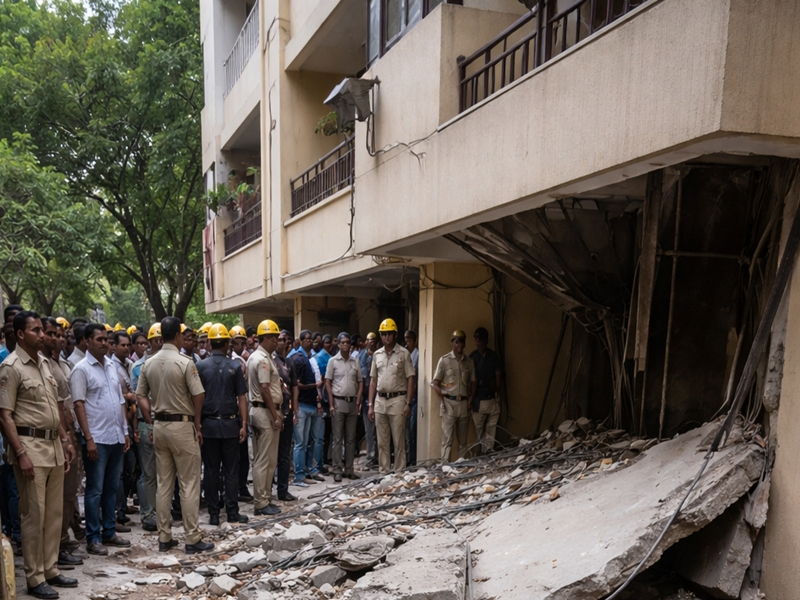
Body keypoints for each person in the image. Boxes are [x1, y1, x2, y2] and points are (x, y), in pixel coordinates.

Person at [0, 310, 78, 599]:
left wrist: (65, 440)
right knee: (34, 515)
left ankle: (50, 569)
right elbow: (5, 415)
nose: (42, 335)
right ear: (20, 334)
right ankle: (35, 577)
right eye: (35, 330)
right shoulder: (11, 367)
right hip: (30, 447)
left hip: (53, 445)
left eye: (41, 330)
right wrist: (20, 453)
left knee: (54, 514)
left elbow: (55, 406)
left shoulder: (44, 363)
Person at [136, 317, 213, 554]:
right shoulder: (185, 362)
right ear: (178, 335)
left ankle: (164, 536)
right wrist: (197, 423)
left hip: (159, 426)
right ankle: (192, 537)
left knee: (164, 483)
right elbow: (198, 394)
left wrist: (151, 417)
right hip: (182, 426)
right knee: (189, 483)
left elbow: (140, 395)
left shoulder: (148, 363)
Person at [71, 323, 131, 556]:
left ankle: (109, 531)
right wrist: (89, 438)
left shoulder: (111, 366)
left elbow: (120, 400)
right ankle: (93, 537)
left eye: (106, 339)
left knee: (111, 487)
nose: (105, 343)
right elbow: (78, 404)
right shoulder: (81, 369)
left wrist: (125, 431)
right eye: (99, 339)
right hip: (96, 439)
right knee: (95, 489)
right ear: (87, 341)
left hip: (115, 436)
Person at [39, 318, 83, 568]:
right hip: (52, 436)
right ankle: (55, 547)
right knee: (53, 497)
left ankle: (62, 541)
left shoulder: (60, 363)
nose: (57, 339)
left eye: (60, 335)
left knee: (68, 492)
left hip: (67, 434)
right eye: (51, 334)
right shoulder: (41, 364)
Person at [196, 324, 249, 525]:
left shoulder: (200, 367)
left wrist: (197, 424)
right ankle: (232, 511)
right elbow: (242, 398)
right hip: (229, 425)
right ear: (227, 343)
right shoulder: (235, 366)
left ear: (209, 343)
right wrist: (244, 424)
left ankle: (213, 513)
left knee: (210, 470)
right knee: (231, 470)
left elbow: (197, 398)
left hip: (208, 426)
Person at [368, 319, 415, 474]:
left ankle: (399, 471)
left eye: (389, 333)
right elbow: (373, 380)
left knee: (399, 440)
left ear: (395, 334)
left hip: (398, 400)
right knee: (382, 441)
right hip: (380, 401)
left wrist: (408, 403)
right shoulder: (377, 355)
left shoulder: (404, 353)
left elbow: (410, 379)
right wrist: (370, 405)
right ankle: (384, 472)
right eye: (383, 334)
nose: (386, 337)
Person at [246, 320, 283, 515]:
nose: (277, 341)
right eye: (274, 338)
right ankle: (261, 502)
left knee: (267, 458)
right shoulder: (262, 359)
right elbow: (265, 388)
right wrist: (275, 415)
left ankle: (265, 498)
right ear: (266, 338)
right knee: (264, 459)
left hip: (261, 410)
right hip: (265, 412)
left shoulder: (258, 357)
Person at [130, 324, 162, 532]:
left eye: (162, 339)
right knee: (148, 472)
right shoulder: (139, 367)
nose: (160, 343)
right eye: (156, 340)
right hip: (148, 422)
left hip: (165, 422)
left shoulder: (170, 362)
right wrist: (146, 423)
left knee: (163, 473)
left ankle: (160, 511)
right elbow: (137, 398)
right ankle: (148, 514)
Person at [432, 330, 477, 461]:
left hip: (463, 404)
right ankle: (445, 466)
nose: (459, 344)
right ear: (452, 343)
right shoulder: (444, 360)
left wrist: (471, 399)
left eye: (461, 341)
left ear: (465, 343)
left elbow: (474, 382)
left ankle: (461, 467)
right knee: (447, 440)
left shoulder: (469, 362)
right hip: (449, 404)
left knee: (463, 441)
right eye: (456, 341)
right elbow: (435, 383)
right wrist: (442, 397)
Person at [325, 332, 363, 482]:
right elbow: (328, 382)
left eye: (347, 342)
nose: (345, 345)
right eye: (343, 342)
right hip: (338, 401)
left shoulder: (355, 361)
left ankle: (349, 469)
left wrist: (358, 400)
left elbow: (360, 381)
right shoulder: (333, 361)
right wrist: (331, 404)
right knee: (337, 438)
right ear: (339, 344)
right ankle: (337, 469)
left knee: (351, 438)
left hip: (352, 402)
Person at [290, 330, 324, 487]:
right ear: (302, 341)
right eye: (308, 339)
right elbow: (296, 385)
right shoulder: (298, 359)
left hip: (311, 404)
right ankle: (299, 476)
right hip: (302, 405)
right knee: (300, 443)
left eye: (311, 339)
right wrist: (314, 385)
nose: (310, 341)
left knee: (309, 441)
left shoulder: (310, 358)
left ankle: (308, 469)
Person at [111, 332, 137, 529]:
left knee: (129, 469)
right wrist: (128, 396)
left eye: (129, 345)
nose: (127, 348)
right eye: (123, 345)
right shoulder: (112, 367)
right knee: (118, 472)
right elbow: (120, 395)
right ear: (114, 346)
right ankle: (117, 512)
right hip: (117, 423)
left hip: (128, 422)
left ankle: (122, 507)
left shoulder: (128, 365)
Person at [470, 327, 504, 454]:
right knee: (478, 432)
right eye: (475, 337)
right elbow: (469, 380)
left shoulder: (493, 356)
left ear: (486, 339)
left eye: (480, 337)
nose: (477, 340)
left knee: (491, 428)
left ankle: (488, 452)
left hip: (491, 397)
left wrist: (496, 389)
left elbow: (498, 375)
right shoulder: (473, 357)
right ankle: (478, 454)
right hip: (478, 399)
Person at [229, 325, 252, 501]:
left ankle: (241, 487)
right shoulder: (234, 363)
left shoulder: (242, 362)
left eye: (243, 343)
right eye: (237, 343)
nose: (241, 346)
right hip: (229, 414)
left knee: (243, 456)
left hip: (239, 413)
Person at [273, 330, 296, 502]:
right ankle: (266, 490)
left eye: (286, 340)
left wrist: (295, 409)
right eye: (281, 339)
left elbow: (294, 386)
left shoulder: (289, 362)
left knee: (285, 453)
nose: (284, 342)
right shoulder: (271, 361)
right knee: (270, 454)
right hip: (274, 412)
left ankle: (283, 489)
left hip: (287, 411)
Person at [360, 332, 379, 469]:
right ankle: (370, 455)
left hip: (379, 397)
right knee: (369, 430)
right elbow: (360, 378)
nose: (371, 343)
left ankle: (378, 455)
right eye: (369, 340)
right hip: (366, 398)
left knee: (380, 430)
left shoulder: (379, 355)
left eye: (373, 341)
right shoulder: (362, 356)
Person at [404, 330, 419, 465]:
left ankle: (411, 458)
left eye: (409, 339)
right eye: (405, 339)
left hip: (413, 396)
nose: (406, 342)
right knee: (405, 429)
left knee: (412, 428)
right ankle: (407, 457)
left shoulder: (416, 355)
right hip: (404, 395)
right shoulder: (404, 354)